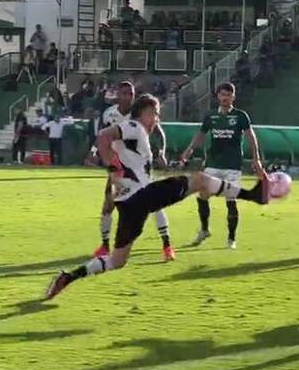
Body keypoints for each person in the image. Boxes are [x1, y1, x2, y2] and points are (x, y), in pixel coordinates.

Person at [45, 95, 271, 299]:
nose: (157, 118)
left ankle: (68, 277)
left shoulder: (135, 133)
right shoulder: (134, 126)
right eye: (155, 113)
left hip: (129, 205)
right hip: (142, 196)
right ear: (143, 112)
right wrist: (113, 167)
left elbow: (111, 145)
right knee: (200, 180)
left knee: (117, 260)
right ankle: (253, 194)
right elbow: (104, 136)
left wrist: (116, 167)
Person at [94, 82, 175, 261]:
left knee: (155, 204)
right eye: (124, 93)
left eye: (130, 94)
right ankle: (105, 245)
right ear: (118, 95)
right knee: (108, 204)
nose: (127, 97)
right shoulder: (109, 114)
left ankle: (167, 245)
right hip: (119, 167)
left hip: (138, 166)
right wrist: (97, 153)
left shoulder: (139, 114)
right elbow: (102, 134)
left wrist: (161, 152)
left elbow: (159, 133)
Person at [179, 82, 263, 249]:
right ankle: (204, 230)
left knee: (230, 200)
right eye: (222, 94)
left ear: (233, 97)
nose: (225, 97)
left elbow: (251, 137)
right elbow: (201, 135)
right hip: (213, 164)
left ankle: (231, 239)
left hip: (232, 165)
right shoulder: (211, 116)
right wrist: (189, 150)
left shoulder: (240, 116)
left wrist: (256, 158)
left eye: (228, 95)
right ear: (218, 96)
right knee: (202, 195)